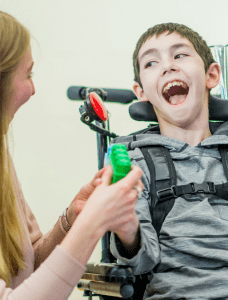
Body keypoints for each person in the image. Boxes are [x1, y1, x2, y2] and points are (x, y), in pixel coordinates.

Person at [0, 5, 145, 300]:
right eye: (28, 74)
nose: (33, 90)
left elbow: (26, 273)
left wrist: (73, 218)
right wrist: (93, 224)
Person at [108, 22, 228, 299]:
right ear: (141, 92)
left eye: (180, 55)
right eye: (151, 62)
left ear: (212, 75)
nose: (167, 67)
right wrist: (127, 228)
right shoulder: (134, 163)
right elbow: (140, 262)